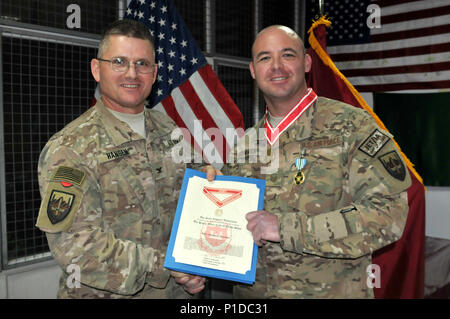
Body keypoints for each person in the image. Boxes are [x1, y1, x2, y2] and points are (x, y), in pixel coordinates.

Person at [224, 25, 412, 298]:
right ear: (253, 70)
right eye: (265, 58)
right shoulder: (244, 145)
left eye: (287, 55)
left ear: (307, 63)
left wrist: (287, 229)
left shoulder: (353, 126)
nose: (276, 66)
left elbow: (388, 215)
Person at [35, 19, 208, 298]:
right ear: (96, 69)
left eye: (142, 64)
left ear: (154, 74)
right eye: (119, 61)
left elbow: (198, 183)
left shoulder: (169, 131)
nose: (132, 73)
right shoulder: (70, 148)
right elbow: (75, 245)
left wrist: (212, 183)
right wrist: (166, 267)